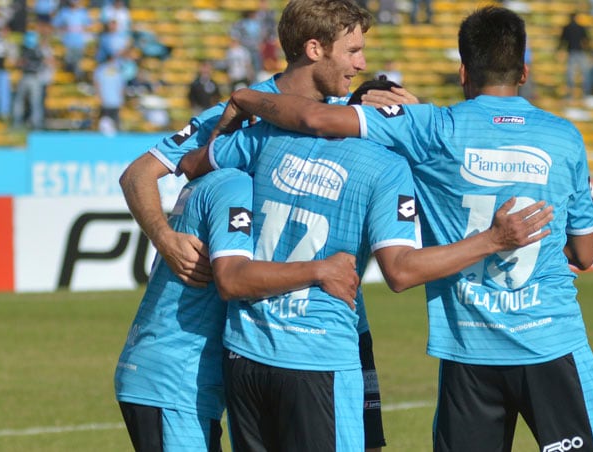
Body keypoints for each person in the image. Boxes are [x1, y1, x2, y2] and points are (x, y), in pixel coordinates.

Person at [210, 6, 593, 451]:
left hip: (469, 351)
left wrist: (246, 98)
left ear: (463, 72)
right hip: (552, 341)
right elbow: (584, 253)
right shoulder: (564, 137)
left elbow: (316, 119)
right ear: (523, 71)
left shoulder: (432, 127)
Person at [178, 79, 552, 452]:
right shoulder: (386, 166)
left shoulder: (274, 136)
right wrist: (493, 241)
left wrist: (232, 116)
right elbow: (401, 271)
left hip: (245, 348)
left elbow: (192, 163)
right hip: (318, 353)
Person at [118, 1, 416, 450]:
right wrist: (164, 237)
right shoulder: (241, 114)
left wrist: (409, 118)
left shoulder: (341, 113)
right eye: (353, 50)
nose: (362, 63)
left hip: (311, 331)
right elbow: (138, 173)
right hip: (220, 343)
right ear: (314, 49)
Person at [115, 167, 360, 452]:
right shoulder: (236, 185)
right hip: (174, 379)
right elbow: (232, 279)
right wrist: (320, 270)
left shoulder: (213, 181)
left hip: (168, 371)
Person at [12, 30, 47, 129]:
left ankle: (18, 122)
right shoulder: (38, 50)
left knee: (21, 101)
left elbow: (19, 63)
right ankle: (36, 124)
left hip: (27, 77)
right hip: (33, 78)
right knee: (34, 102)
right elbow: (44, 63)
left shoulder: (24, 50)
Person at [558, 12, 592, 99]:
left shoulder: (567, 27)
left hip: (572, 52)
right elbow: (586, 40)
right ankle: (586, 94)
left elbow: (562, 41)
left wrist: (559, 50)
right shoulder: (580, 27)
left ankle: (571, 95)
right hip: (580, 52)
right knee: (584, 74)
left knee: (571, 75)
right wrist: (589, 51)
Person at [93, 52, 126, 134]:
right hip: (114, 99)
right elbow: (121, 86)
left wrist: (98, 95)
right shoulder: (117, 70)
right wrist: (121, 98)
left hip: (106, 99)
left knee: (105, 119)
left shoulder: (100, 69)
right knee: (112, 119)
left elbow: (97, 83)